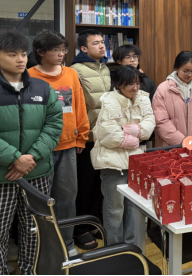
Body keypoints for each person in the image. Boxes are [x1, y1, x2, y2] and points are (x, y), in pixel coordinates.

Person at [0, 31, 63, 275]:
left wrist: (31, 157)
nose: (20, 59)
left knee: (34, 228)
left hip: (37, 171)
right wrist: (15, 158)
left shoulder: (42, 87)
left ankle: (31, 270)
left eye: (23, 54)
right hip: (3, 175)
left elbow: (54, 124)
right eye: (12, 54)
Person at [28, 30, 89, 257]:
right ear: (41, 52)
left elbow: (79, 105)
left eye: (63, 49)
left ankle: (67, 243)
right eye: (56, 50)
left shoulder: (71, 73)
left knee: (67, 198)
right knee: (40, 201)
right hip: (39, 149)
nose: (61, 54)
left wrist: (82, 135)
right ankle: (40, 247)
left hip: (68, 145)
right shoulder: (29, 75)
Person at [91, 65, 155, 246]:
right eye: (130, 84)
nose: (135, 88)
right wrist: (131, 140)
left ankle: (131, 246)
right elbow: (106, 134)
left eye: (137, 83)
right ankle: (114, 248)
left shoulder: (143, 98)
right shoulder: (109, 100)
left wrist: (133, 130)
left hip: (135, 161)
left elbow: (150, 123)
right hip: (112, 163)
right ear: (118, 84)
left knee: (134, 207)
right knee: (115, 209)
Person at [71, 29, 111, 250]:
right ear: (84, 48)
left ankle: (94, 223)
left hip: (103, 136)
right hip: (85, 139)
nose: (102, 46)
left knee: (99, 183)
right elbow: (75, 105)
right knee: (83, 186)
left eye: (102, 42)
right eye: (96, 43)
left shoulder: (104, 68)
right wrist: (80, 134)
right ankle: (80, 229)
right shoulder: (75, 70)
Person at [153, 51, 192, 147]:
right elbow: (160, 121)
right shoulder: (163, 89)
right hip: (171, 146)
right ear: (176, 68)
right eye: (186, 71)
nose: (190, 74)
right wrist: (182, 142)